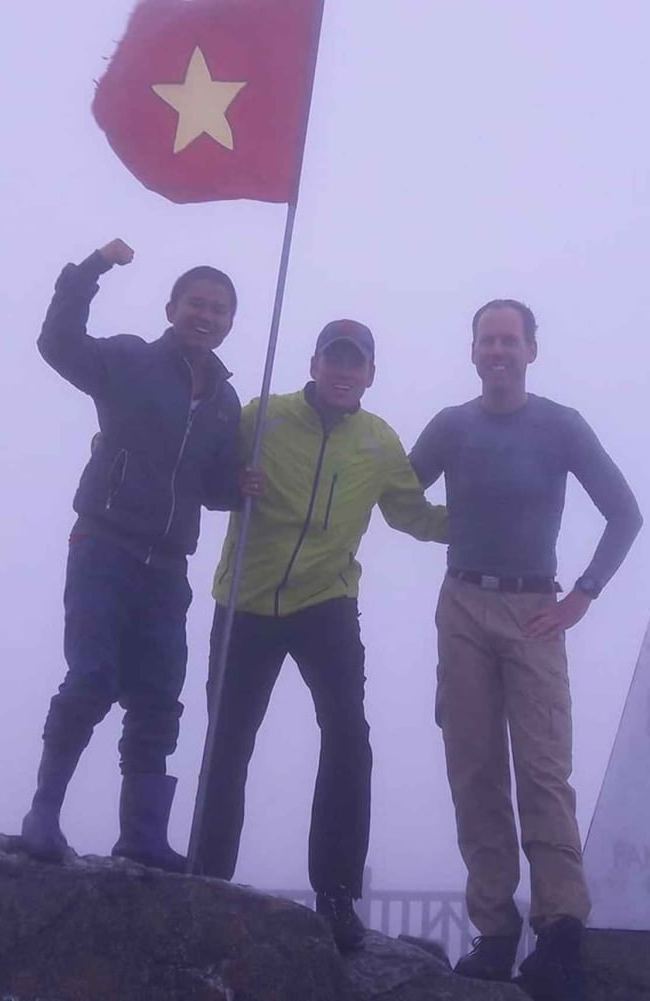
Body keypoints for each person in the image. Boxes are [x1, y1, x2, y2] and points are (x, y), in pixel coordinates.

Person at [409, 299, 642, 1001]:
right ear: (473, 351)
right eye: (488, 340)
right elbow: (389, 487)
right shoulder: (451, 426)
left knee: (543, 770)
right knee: (474, 770)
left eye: (511, 340)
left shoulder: (561, 426)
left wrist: (583, 595)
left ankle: (561, 930)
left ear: (532, 350)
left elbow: (624, 513)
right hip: (463, 604)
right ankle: (495, 931)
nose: (499, 351)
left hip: (538, 608)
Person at [190, 319, 447, 951]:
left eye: (354, 363)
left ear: (370, 375)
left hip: (325, 602)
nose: (342, 372)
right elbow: (207, 477)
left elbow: (413, 515)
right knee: (227, 740)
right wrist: (231, 486)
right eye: (334, 359)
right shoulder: (262, 417)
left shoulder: (379, 441)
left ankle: (335, 895)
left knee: (348, 738)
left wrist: (491, 521)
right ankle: (206, 879)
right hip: (245, 600)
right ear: (313, 363)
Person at [19, 238, 243, 873]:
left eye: (220, 309)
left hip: (169, 566)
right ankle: (44, 813)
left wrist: (242, 485)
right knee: (92, 677)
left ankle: (141, 835)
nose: (207, 315)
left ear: (231, 322)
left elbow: (215, 487)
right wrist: (91, 270)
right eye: (196, 303)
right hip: (105, 544)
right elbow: (57, 344)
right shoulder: (128, 360)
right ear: (172, 308)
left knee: (158, 697)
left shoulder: (225, 403)